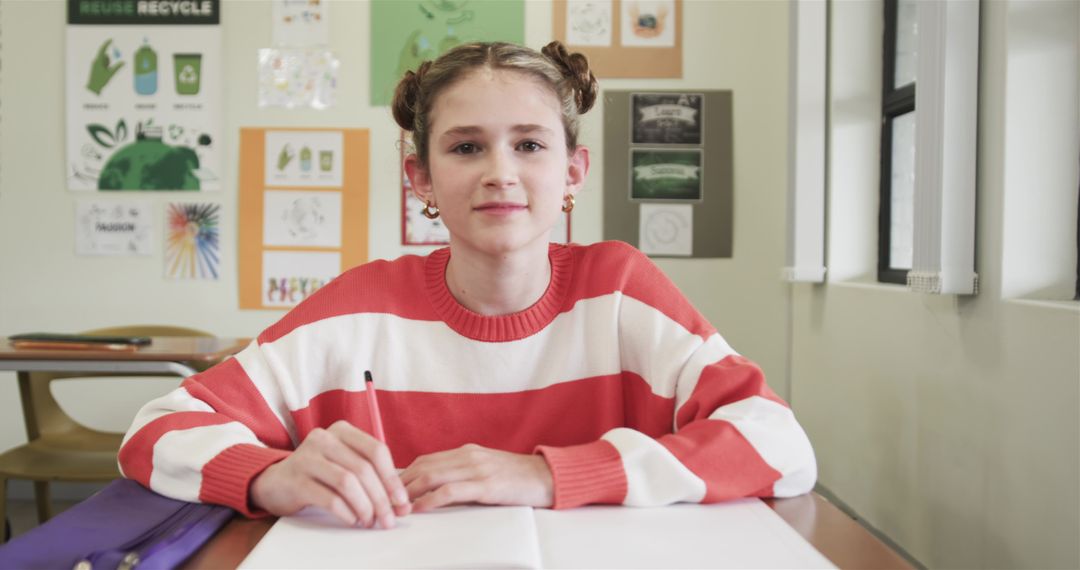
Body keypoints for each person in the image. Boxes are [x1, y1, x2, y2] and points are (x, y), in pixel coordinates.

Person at [119, 41, 816, 531]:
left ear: (573, 172)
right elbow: (155, 432)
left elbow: (781, 446)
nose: (500, 172)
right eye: (465, 147)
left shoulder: (621, 290)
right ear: (420, 176)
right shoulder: (355, 310)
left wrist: (547, 476)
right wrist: (266, 475)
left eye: (530, 144)